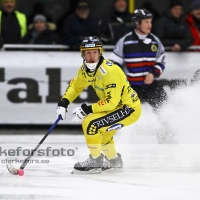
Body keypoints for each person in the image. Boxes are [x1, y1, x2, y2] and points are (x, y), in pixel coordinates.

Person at [56, 36, 141, 173]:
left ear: (100, 53)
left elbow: (111, 102)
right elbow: (76, 87)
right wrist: (63, 103)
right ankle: (114, 161)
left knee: (91, 123)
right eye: (88, 52)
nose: (92, 56)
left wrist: (87, 109)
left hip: (129, 108)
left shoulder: (110, 71)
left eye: (95, 52)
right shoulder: (84, 70)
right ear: (82, 54)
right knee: (104, 134)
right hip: (116, 107)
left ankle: (95, 161)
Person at [109, 9, 167, 109]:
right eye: (146, 22)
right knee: (128, 116)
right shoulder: (125, 41)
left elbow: (161, 61)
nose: (150, 25)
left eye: (150, 21)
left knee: (165, 108)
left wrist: (153, 73)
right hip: (132, 87)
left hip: (151, 86)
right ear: (137, 23)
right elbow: (114, 64)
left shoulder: (155, 41)